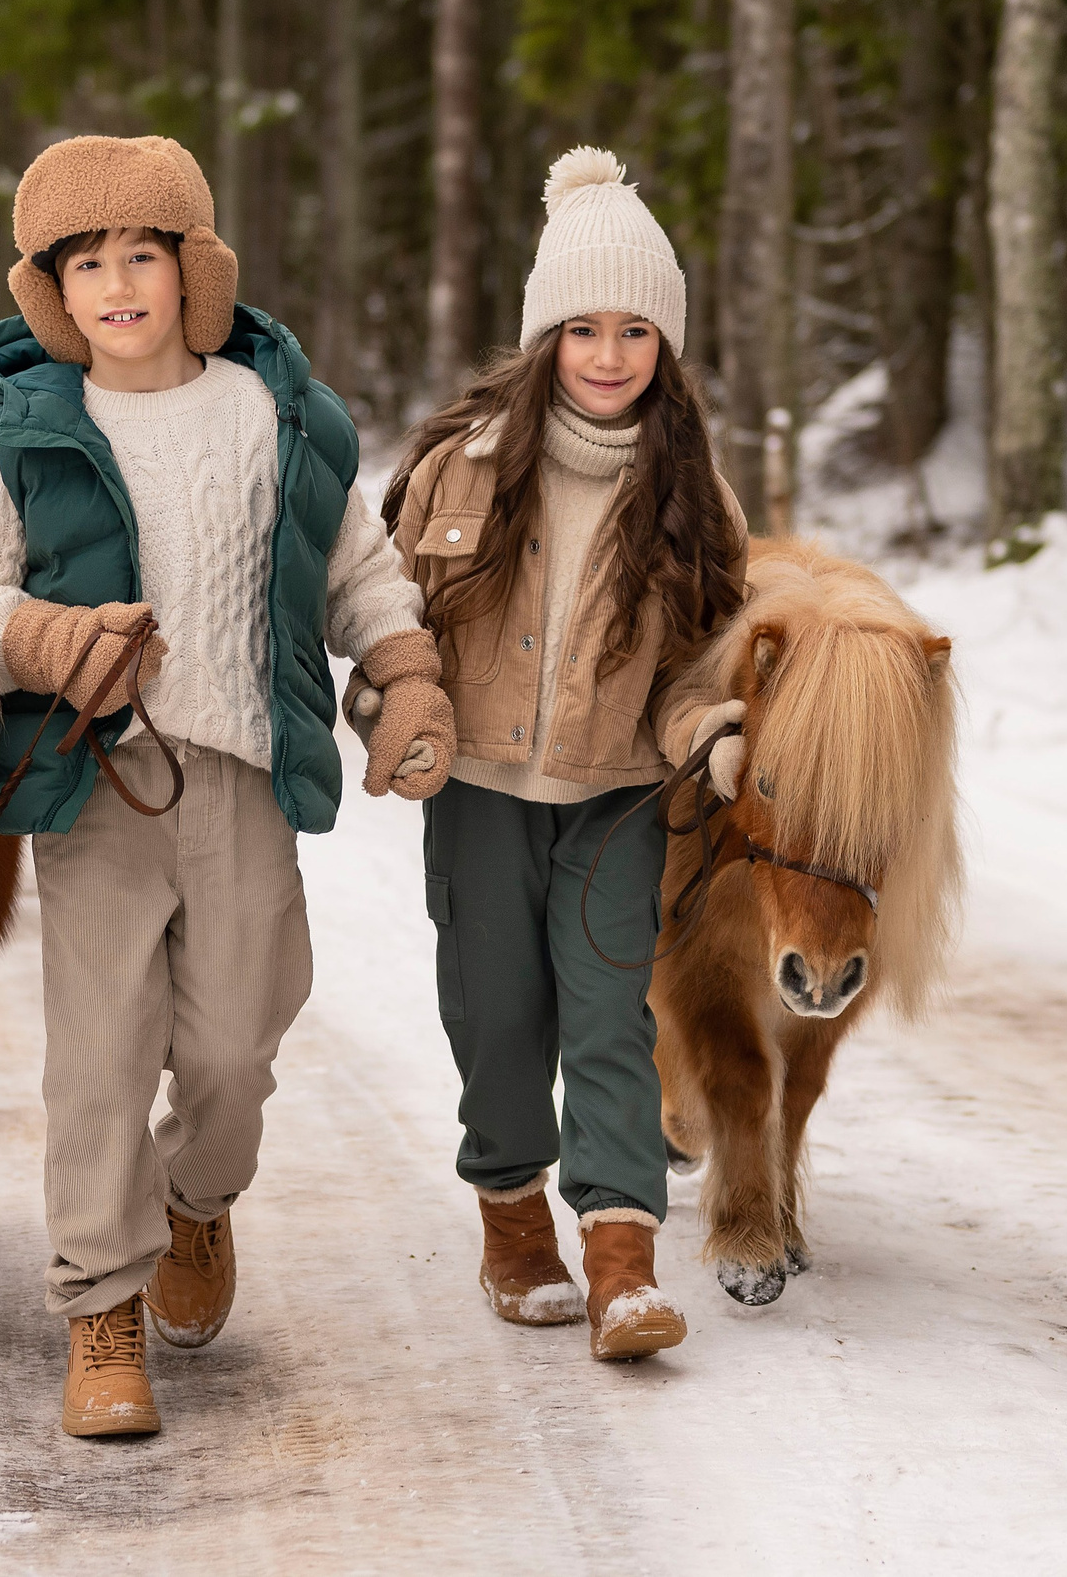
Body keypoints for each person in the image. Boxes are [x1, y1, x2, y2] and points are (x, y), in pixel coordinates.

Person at [0, 134, 454, 1438]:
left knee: (234, 1046)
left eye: (142, 257)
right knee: (98, 1060)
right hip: (97, 785)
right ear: (52, 286)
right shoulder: (33, 432)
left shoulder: (275, 419)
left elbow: (361, 575)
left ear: (192, 269)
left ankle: (196, 1200)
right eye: (87, 263)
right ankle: (100, 1310)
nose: (117, 285)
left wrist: (406, 673)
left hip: (242, 784)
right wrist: (43, 637)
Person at [359, 147, 747, 1362]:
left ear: (666, 347)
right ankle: (513, 1216)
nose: (609, 354)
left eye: (637, 331)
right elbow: (387, 626)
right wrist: (393, 714)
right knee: (498, 1018)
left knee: (608, 1020)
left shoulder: (694, 497)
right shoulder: (455, 470)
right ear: (543, 336)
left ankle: (622, 1261)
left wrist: (710, 733)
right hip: (476, 791)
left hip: (617, 802)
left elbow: (700, 667)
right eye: (583, 328)